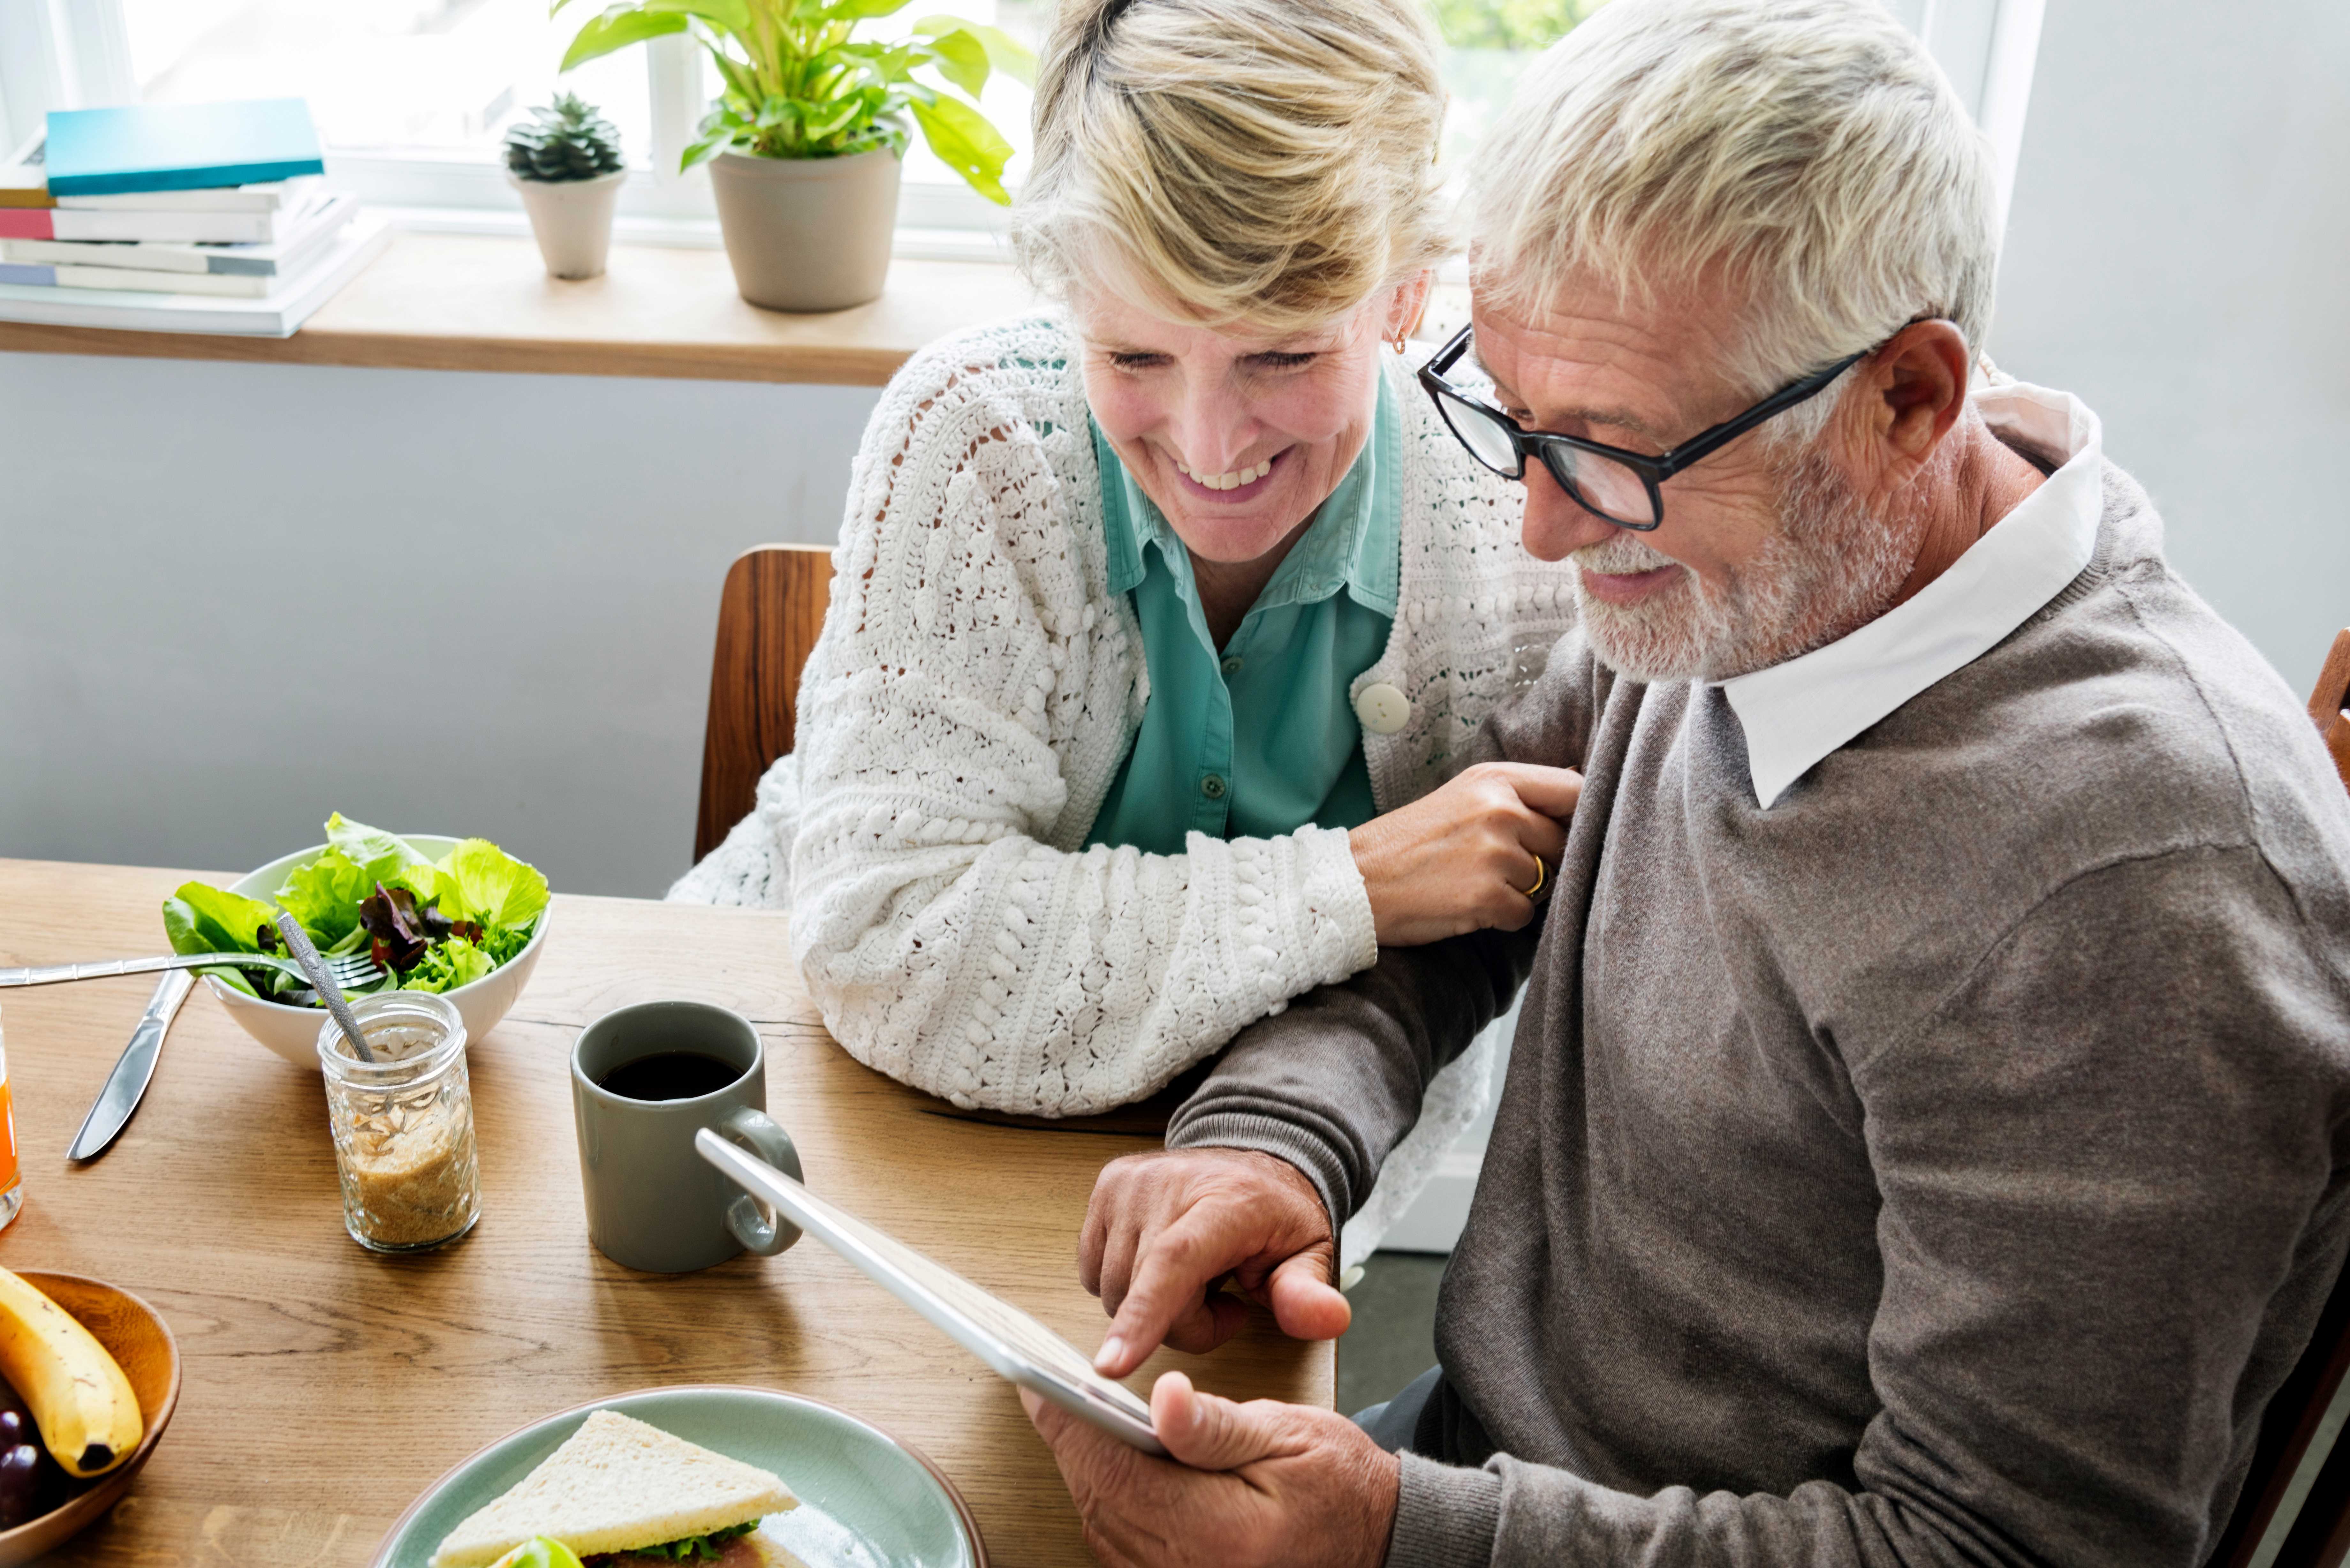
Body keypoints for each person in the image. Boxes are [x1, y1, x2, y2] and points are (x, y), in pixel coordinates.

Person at [1029, 2, 2350, 1564]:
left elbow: (2002, 1548)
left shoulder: (2144, 895)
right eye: (1508, 416)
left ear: (1911, 399)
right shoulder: (1761, 567)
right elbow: (1467, 896)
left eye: (1605, 451)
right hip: (1477, 1465)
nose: (1540, 529)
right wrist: (1271, 1139)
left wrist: (1398, 1539)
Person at [672, 0, 1583, 1255]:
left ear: (1405, 294)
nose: (1210, 448)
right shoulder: (979, 434)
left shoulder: (1524, 513)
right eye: (1136, 355)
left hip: (1256, 1166)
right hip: (821, 1098)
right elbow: (889, 946)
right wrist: (1356, 886)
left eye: (1280, 356)